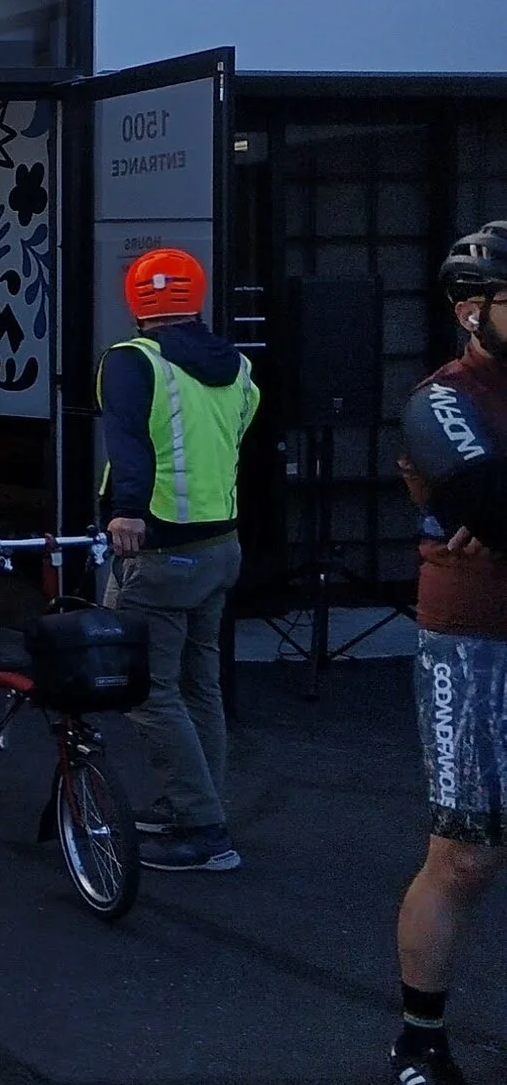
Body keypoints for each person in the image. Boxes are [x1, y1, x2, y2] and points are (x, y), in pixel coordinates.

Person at [388, 222, 507, 1085]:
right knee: (466, 858)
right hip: (474, 640)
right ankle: (420, 1042)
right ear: (473, 311)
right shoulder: (441, 400)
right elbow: (493, 504)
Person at [95, 247, 258, 874]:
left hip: (159, 549)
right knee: (199, 683)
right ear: (197, 297)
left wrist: (126, 510)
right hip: (221, 545)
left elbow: (128, 442)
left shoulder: (132, 361)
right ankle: (195, 803)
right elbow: (233, 436)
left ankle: (202, 828)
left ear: (135, 303)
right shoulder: (238, 367)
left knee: (147, 689)